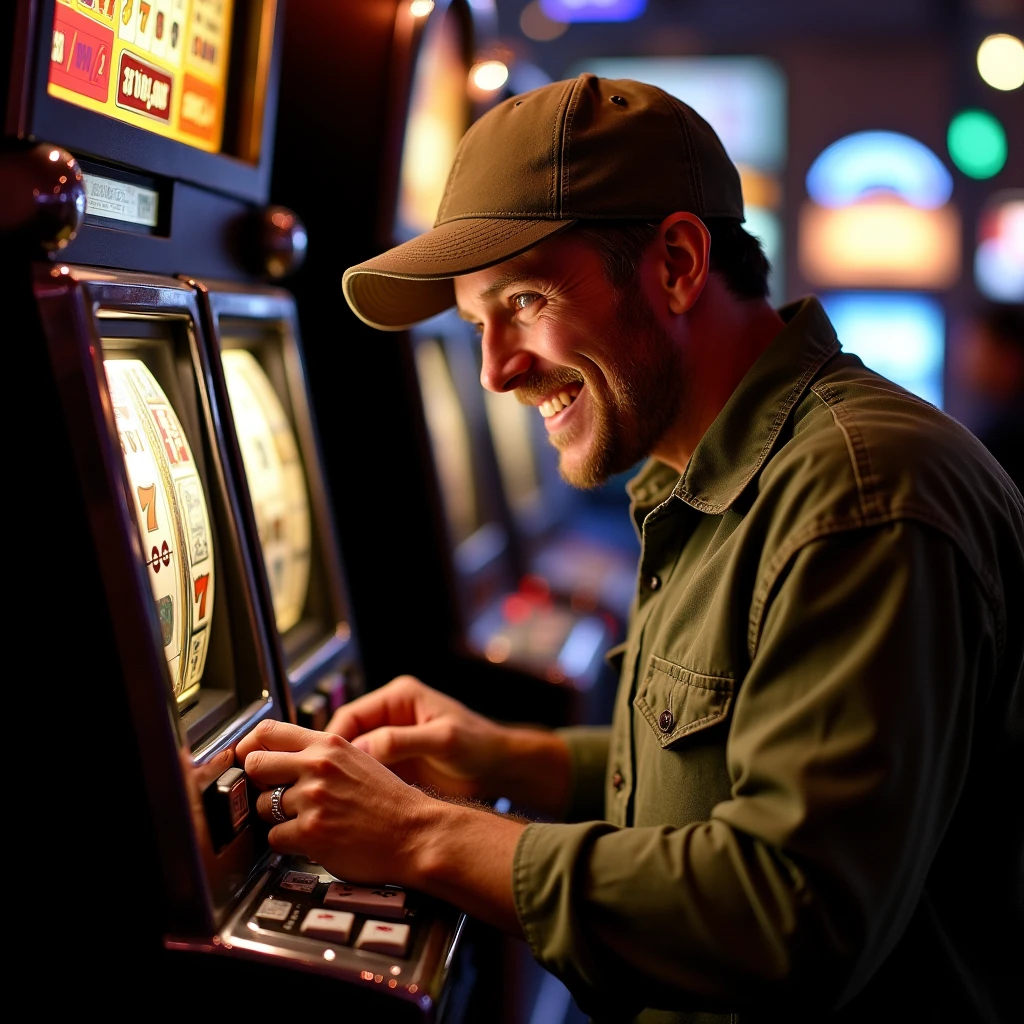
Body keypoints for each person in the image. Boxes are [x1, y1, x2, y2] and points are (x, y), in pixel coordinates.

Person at [235, 74, 1023, 1023]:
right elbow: (729, 761)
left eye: (522, 300)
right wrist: (504, 757)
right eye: (477, 324)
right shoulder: (713, 475)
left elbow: (785, 913)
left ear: (680, 263)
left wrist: (419, 834)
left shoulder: (861, 494)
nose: (493, 371)